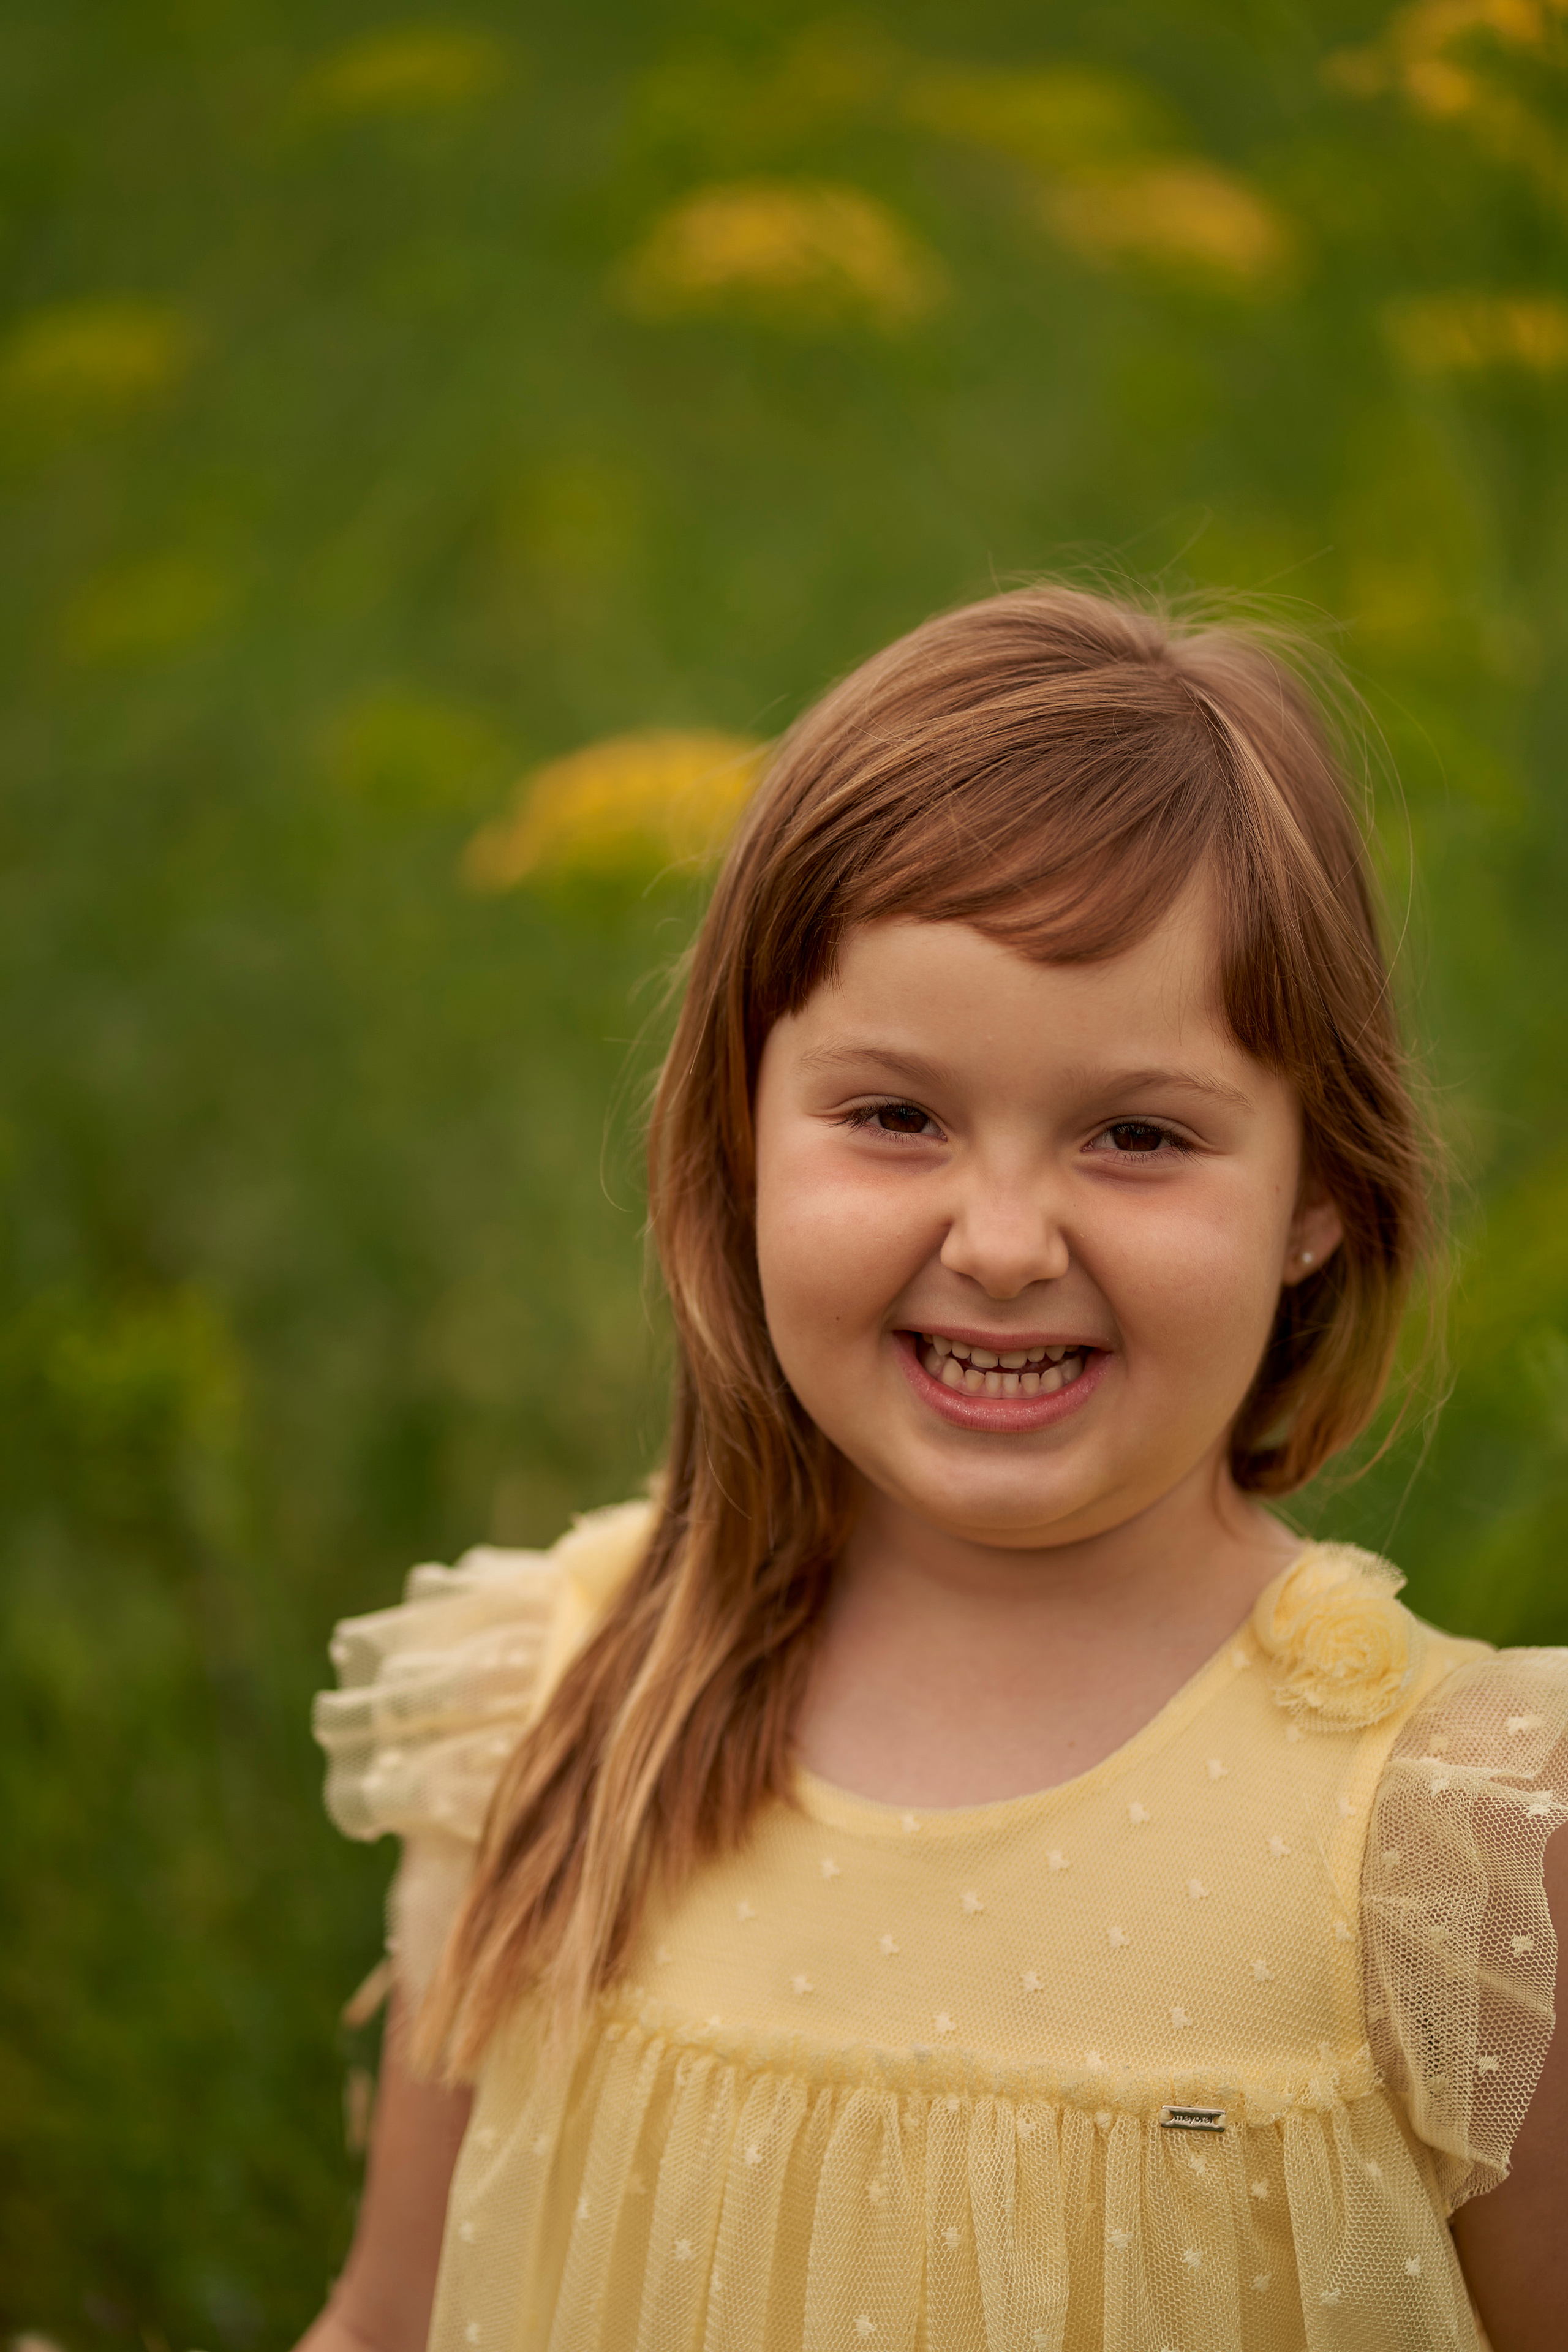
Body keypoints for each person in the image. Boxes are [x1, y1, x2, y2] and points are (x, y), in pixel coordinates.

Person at [300, 586, 1568, 2352]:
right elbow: (382, 2329)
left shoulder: (1450, 1840)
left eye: (1138, 1137)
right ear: (739, 1134)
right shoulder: (558, 1710)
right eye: (895, 1116)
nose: (998, 1240)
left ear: (1322, 1196)